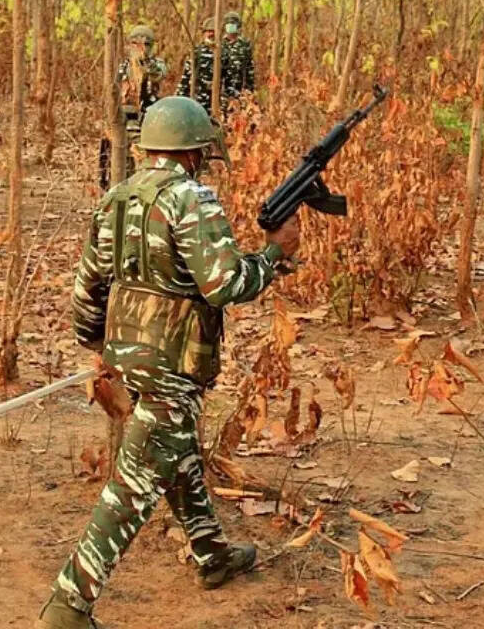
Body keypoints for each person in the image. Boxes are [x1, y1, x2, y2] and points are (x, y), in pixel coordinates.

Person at [34, 96, 301, 629]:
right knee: (133, 485)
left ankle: (211, 554)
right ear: (195, 152)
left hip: (129, 351)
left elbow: (89, 284)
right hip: (174, 360)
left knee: (174, 452)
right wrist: (274, 255)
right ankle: (67, 606)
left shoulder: (117, 197)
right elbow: (225, 284)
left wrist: (97, 346)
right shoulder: (191, 198)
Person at [101, 25, 168, 188]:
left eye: (145, 44)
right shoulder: (124, 66)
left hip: (148, 120)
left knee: (144, 160)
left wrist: (144, 62)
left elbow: (158, 74)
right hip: (125, 120)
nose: (140, 48)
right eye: (136, 44)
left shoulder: (156, 64)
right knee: (123, 162)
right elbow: (114, 92)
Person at [176, 18, 225, 116]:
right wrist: (178, 103)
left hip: (217, 105)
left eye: (214, 31)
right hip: (197, 104)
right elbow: (185, 80)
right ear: (203, 33)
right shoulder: (196, 52)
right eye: (208, 31)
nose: (211, 34)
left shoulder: (224, 53)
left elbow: (229, 81)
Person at [220, 10, 255, 107]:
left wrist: (249, 90)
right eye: (228, 23)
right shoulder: (220, 44)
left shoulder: (244, 44)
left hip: (239, 88)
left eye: (233, 23)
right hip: (223, 89)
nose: (230, 26)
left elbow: (249, 68)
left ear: (238, 26)